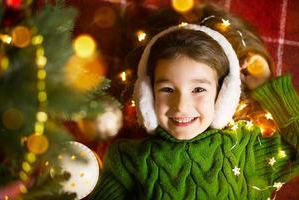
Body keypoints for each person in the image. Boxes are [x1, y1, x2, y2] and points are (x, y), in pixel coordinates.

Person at [91, 23, 299, 199]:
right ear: (146, 95)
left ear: (223, 96)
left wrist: (266, 85)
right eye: (167, 89)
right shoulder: (127, 160)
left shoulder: (246, 148)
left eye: (198, 89)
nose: (181, 105)